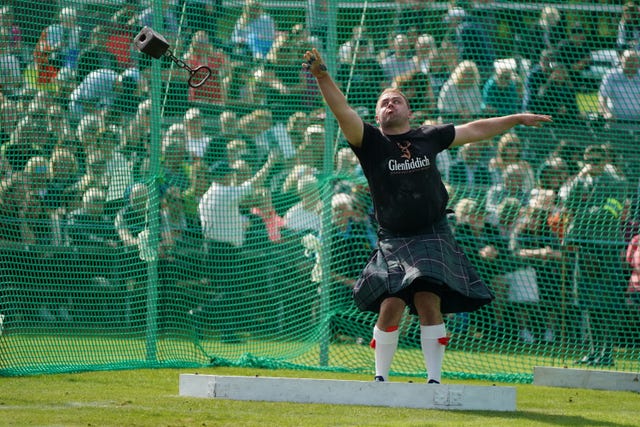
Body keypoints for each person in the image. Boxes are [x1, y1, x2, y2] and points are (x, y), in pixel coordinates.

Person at [303, 47, 552, 383]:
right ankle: (380, 380)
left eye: (396, 101)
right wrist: (322, 76)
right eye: (383, 102)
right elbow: (341, 110)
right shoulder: (369, 141)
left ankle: (434, 381)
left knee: (427, 302)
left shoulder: (428, 136)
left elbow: (476, 130)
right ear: (377, 115)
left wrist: (516, 119)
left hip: (432, 233)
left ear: (409, 110)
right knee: (390, 306)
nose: (389, 104)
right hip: (393, 238)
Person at [560, 145, 627, 366]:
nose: (592, 164)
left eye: (597, 160)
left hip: (606, 248)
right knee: (587, 303)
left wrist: (583, 212)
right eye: (589, 160)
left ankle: (607, 352)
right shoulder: (580, 182)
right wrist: (578, 179)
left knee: (608, 303)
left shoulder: (617, 183)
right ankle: (593, 350)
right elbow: (566, 202)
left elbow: (610, 213)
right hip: (585, 248)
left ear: (605, 159)